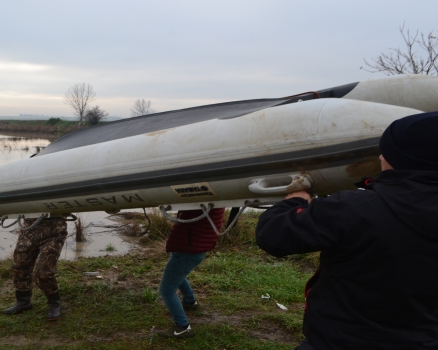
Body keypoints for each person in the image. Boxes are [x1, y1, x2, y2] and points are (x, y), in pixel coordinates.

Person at [255, 111, 438, 350]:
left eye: (387, 151)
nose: (381, 156)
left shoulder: (354, 208)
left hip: (341, 340)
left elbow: (274, 234)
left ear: (403, 159)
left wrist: (294, 202)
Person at [155, 207, 225, 339]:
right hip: (188, 246)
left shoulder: (202, 199)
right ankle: (190, 301)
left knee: (167, 289)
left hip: (188, 249)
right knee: (177, 275)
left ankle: (182, 327)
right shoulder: (213, 199)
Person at [2, 216, 68, 320]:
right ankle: (23, 302)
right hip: (29, 231)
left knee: (43, 273)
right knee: (19, 267)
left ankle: (55, 304)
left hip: (53, 232)